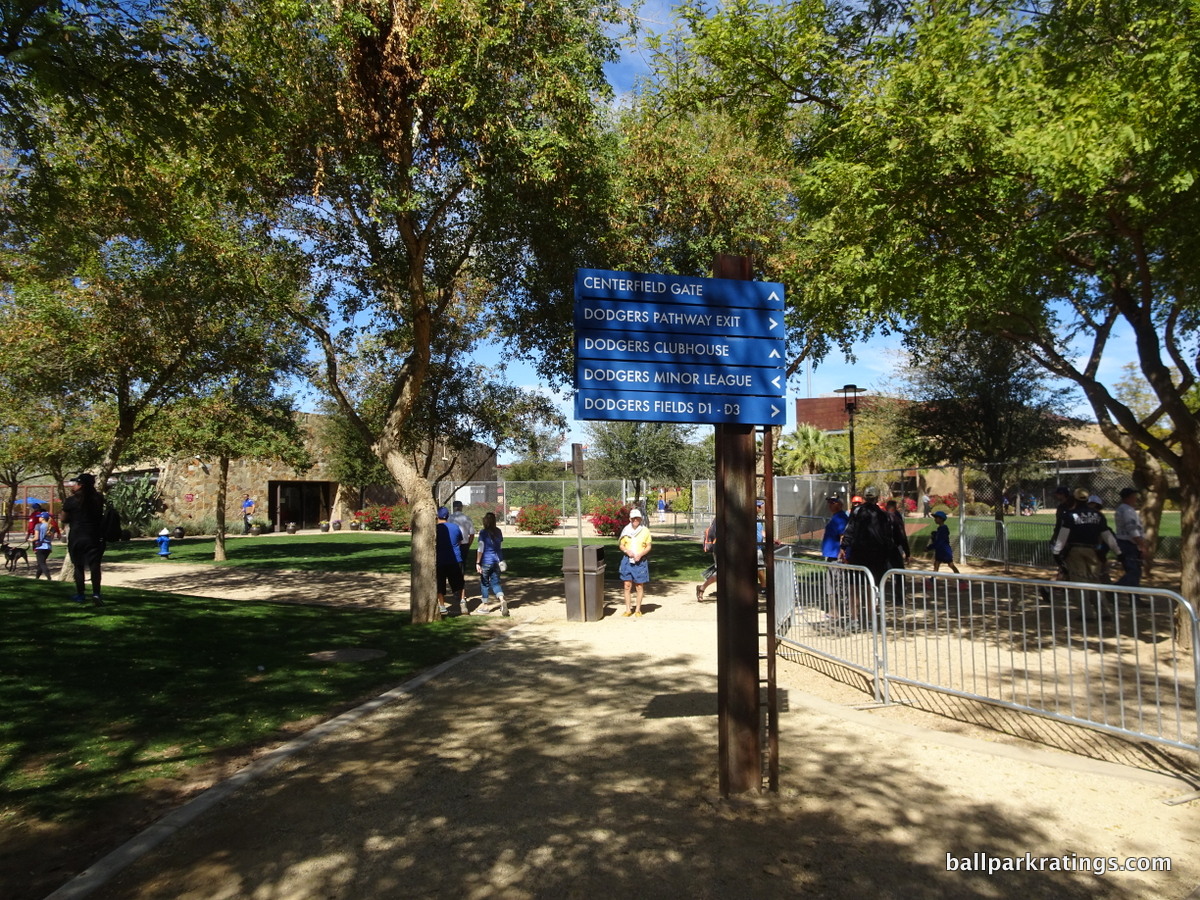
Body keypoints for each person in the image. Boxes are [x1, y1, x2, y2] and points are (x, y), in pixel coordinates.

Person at [1051, 488, 1119, 584]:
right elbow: (1107, 535)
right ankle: (1100, 597)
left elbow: (1063, 534)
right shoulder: (1098, 516)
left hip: (1078, 550)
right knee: (1093, 580)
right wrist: (1118, 552)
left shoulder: (1071, 515)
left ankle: (1089, 598)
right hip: (1092, 550)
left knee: (1082, 580)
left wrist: (1057, 552)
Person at [61, 473, 106, 605]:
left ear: (80, 485)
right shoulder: (98, 499)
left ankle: (80, 594)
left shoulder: (71, 501)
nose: (73, 486)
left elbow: (64, 519)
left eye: (75, 483)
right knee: (95, 566)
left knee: (78, 566)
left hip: (77, 536)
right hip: (94, 536)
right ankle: (96, 593)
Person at [618, 508, 652, 617]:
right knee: (627, 585)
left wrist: (640, 554)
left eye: (637, 518)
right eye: (633, 518)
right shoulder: (626, 530)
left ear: (640, 519)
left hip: (640, 561)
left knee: (639, 586)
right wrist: (627, 551)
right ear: (630, 519)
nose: (635, 520)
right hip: (627, 560)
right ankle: (628, 609)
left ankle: (637, 610)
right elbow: (621, 545)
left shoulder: (645, 531)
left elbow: (648, 546)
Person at [475, 511, 507, 616]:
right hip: (497, 561)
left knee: (485, 584)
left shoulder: (483, 533)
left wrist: (477, 562)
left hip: (486, 561)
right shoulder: (498, 531)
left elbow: (480, 548)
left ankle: (485, 606)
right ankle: (502, 601)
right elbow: (499, 547)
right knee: (496, 583)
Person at [1114, 487, 1147, 588]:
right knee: (1133, 572)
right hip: (1128, 545)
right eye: (1134, 496)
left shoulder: (1125, 509)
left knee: (1135, 572)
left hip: (1126, 544)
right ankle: (1113, 589)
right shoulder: (1127, 510)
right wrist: (1142, 545)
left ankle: (1135, 599)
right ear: (1128, 498)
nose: (1136, 499)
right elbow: (1132, 530)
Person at [435, 506, 464, 616]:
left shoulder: (436, 528)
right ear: (448, 516)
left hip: (440, 559)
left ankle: (442, 606)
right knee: (459, 583)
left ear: (437, 516)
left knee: (440, 584)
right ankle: (463, 602)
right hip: (455, 559)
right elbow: (460, 541)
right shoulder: (455, 527)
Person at [449, 500, 475, 609]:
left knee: (452, 568)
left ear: (454, 507)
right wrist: (468, 545)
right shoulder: (466, 518)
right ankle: (460, 591)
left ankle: (456, 591)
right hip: (463, 545)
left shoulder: (449, 518)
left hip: (452, 545)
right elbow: (472, 534)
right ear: (461, 507)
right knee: (462, 568)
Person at [929, 510, 960, 575]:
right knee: (936, 564)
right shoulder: (940, 528)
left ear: (941, 519)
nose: (935, 519)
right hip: (940, 550)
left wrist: (930, 547)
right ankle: (932, 580)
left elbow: (940, 541)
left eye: (936, 518)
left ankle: (960, 579)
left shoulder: (943, 528)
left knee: (950, 565)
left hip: (944, 550)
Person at [884, 499, 912, 569]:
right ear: (895, 507)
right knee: (898, 568)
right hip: (894, 546)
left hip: (886, 546)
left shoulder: (882, 517)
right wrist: (907, 552)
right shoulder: (896, 518)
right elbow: (902, 535)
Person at [696, 516, 718, 601]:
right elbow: (713, 533)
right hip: (719, 549)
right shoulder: (718, 520)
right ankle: (702, 588)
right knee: (720, 573)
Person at [821, 496, 849, 562]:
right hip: (831, 555)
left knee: (836, 572)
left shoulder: (841, 518)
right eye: (829, 502)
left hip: (836, 556)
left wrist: (842, 552)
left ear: (840, 505)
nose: (830, 505)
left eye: (832, 503)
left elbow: (843, 536)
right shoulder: (835, 516)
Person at [32, 511, 55, 580]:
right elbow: (51, 538)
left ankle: (49, 577)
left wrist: (30, 540)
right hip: (48, 547)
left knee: (41, 563)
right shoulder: (51, 527)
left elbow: (36, 538)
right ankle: (37, 578)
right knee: (40, 563)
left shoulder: (38, 526)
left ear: (43, 518)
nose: (39, 518)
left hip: (40, 546)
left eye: (40, 517)